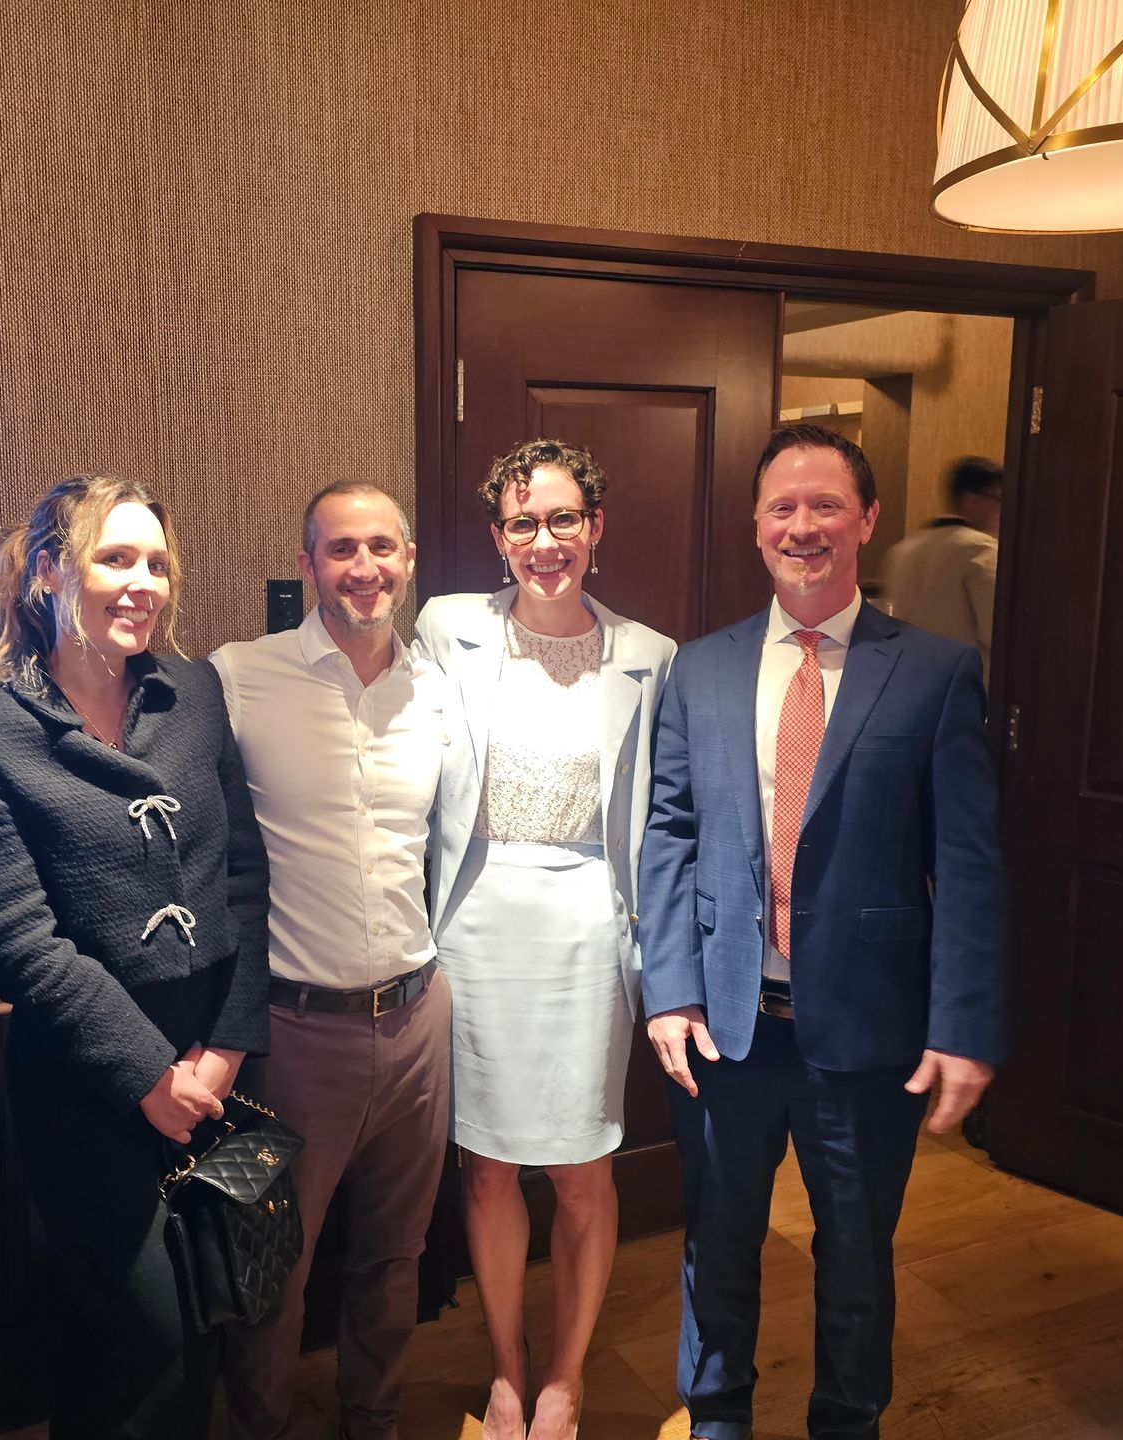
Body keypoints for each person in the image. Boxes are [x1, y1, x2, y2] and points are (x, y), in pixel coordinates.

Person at [638, 423, 1007, 1440]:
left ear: (867, 520)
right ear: (756, 527)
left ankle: (848, 1422)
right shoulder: (701, 671)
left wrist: (965, 1022)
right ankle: (717, 1420)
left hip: (869, 1036)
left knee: (855, 1260)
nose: (803, 526)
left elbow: (969, 861)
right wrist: (666, 989)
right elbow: (668, 833)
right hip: (726, 1031)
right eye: (782, 507)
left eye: (825, 505)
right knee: (717, 1247)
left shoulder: (933, 673)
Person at [0, 476, 268, 1439]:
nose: (143, 583)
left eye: (156, 562)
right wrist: (147, 1078)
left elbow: (246, 876)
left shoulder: (194, 690)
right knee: (140, 1329)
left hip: (217, 1061)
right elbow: (13, 934)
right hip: (89, 1081)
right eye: (115, 558)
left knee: (210, 1314)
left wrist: (228, 1047)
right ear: (50, 572)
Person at [412, 438, 675, 1440]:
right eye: (523, 523)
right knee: (485, 1166)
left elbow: (660, 821)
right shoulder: (448, 629)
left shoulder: (650, 658)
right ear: (498, 537)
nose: (545, 542)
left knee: (581, 1169)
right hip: (475, 931)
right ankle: (510, 1374)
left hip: (586, 936)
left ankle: (567, 1377)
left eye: (565, 519)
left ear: (597, 529)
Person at [212, 481, 454, 1440]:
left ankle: (373, 1421)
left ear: (409, 558)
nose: (365, 568)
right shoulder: (239, 674)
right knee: (269, 1267)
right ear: (308, 563)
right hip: (284, 1031)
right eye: (341, 549)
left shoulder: (438, 687)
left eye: (382, 547)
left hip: (416, 1019)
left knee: (395, 1259)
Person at [880, 456, 1002, 681]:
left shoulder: (903, 550)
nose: (999, 509)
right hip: (963, 683)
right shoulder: (980, 549)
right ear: (969, 500)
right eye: (995, 498)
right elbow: (996, 632)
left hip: (908, 677)